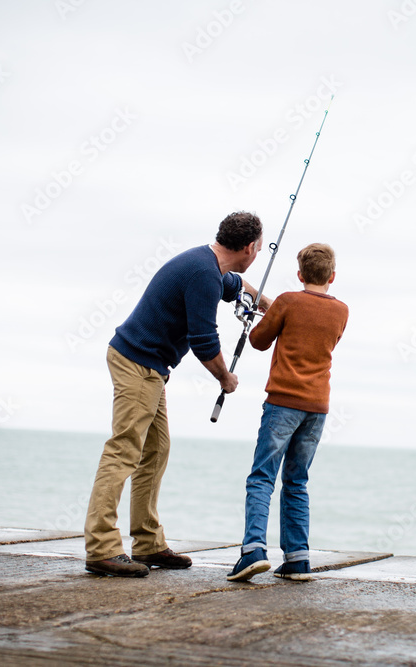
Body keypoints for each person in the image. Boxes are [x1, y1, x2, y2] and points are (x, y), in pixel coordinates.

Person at [84, 211, 271, 577]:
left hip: (150, 366)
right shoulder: (203, 274)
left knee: (155, 451)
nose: (258, 254)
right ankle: (102, 547)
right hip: (138, 362)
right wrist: (225, 378)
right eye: (260, 248)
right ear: (249, 247)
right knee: (123, 451)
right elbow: (204, 340)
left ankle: (149, 543)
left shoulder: (208, 266)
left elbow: (233, 283)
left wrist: (263, 299)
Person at [227, 243, 349, 582]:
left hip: (283, 402)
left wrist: (266, 316)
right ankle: (297, 558)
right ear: (332, 276)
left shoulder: (287, 300)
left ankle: (252, 549)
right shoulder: (342, 311)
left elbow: (259, 340)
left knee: (262, 477)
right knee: (296, 481)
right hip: (317, 407)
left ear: (300, 274)